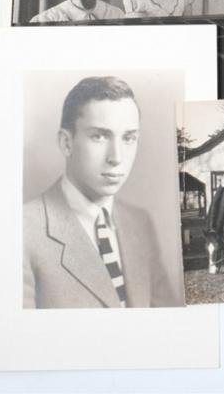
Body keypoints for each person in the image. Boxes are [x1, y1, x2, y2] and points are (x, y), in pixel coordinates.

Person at [23, 76, 176, 308]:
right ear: (66, 143)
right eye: (99, 136)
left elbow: (171, 324)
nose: (116, 158)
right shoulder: (22, 231)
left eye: (128, 138)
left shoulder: (140, 223)